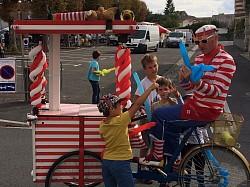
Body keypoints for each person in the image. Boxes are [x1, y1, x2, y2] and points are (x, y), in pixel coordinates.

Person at [150, 24, 236, 164]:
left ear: (215, 38)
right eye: (197, 42)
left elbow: (216, 91)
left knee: (158, 115)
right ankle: (174, 161)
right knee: (169, 127)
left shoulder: (227, 61)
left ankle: (158, 156)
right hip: (195, 105)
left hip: (206, 110)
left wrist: (195, 82)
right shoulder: (199, 59)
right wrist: (184, 80)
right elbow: (190, 89)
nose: (200, 45)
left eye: (204, 41)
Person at [98, 83, 159, 187]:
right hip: (120, 163)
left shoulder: (102, 125)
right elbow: (137, 104)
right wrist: (151, 88)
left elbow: (111, 135)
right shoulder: (121, 120)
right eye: (119, 105)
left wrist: (125, 131)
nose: (122, 106)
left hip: (107, 162)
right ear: (112, 109)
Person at [133, 54, 160, 184]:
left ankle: (151, 168)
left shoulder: (162, 80)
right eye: (150, 67)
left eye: (155, 66)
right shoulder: (143, 83)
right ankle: (142, 170)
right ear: (145, 69)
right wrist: (142, 109)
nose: (153, 69)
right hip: (145, 119)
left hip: (159, 118)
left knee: (155, 146)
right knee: (145, 145)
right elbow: (136, 100)